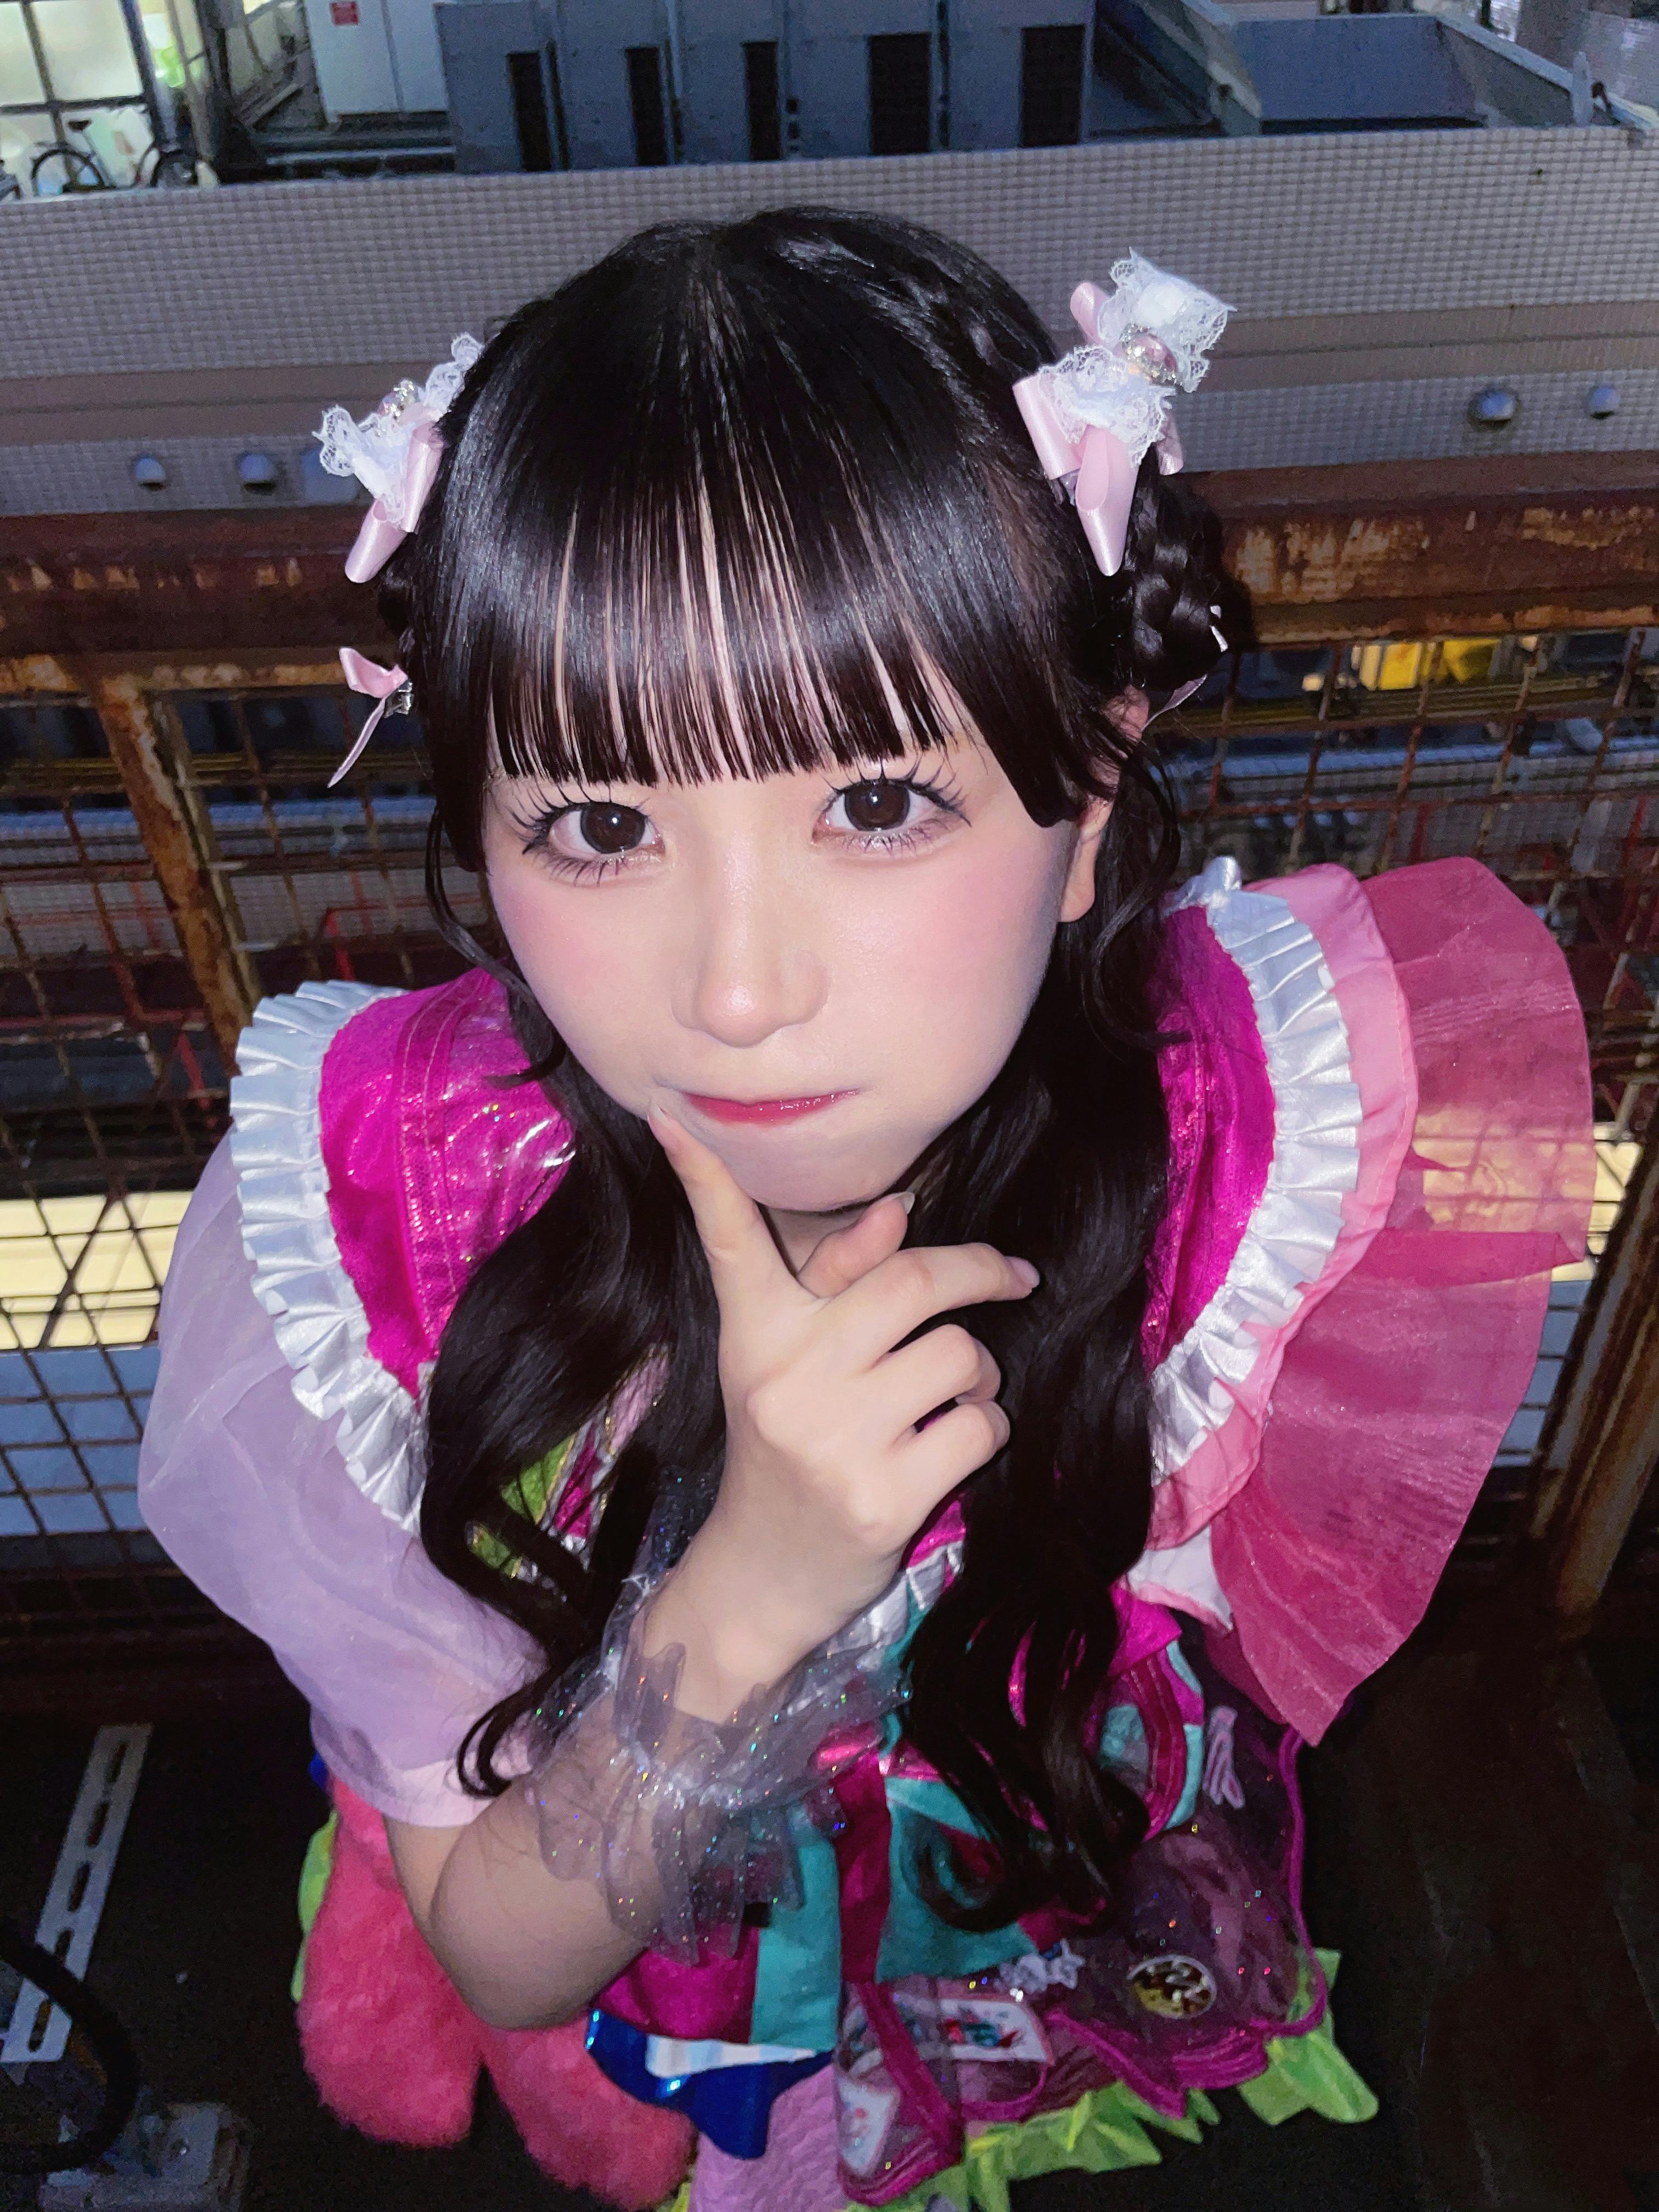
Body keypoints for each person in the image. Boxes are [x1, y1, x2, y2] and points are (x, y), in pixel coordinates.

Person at [138, 208, 1594, 2212]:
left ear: (1085, 812)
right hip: (673, 1972)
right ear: (477, 829)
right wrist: (754, 1584)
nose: (741, 993)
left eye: (880, 803)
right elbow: (504, 1951)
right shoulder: (384, 1235)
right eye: (601, 825)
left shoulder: (1243, 1150)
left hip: (993, 1919)